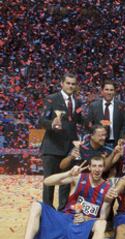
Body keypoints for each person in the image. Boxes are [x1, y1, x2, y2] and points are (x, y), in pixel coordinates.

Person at [4, 156, 112, 239]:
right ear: (90, 167)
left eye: (100, 166)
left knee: (102, 223)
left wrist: (87, 218)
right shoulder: (78, 177)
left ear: (103, 168)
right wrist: (68, 173)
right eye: (94, 166)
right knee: (36, 205)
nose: (97, 169)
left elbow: (102, 217)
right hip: (63, 220)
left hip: (82, 226)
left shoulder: (107, 188)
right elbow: (47, 181)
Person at [39, 72, 83, 210]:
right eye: (68, 83)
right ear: (62, 84)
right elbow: (41, 120)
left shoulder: (78, 102)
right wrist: (52, 123)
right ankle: (47, 213)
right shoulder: (52, 99)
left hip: (69, 149)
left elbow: (81, 121)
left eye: (73, 84)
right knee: (49, 183)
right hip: (52, 147)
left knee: (66, 182)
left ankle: (62, 212)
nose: (70, 86)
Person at [86, 80, 125, 147]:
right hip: (98, 143)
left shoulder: (122, 106)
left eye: (111, 90)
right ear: (102, 91)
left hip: (116, 143)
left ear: (114, 92)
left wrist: (121, 137)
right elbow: (89, 125)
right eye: (106, 89)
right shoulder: (93, 106)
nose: (109, 92)